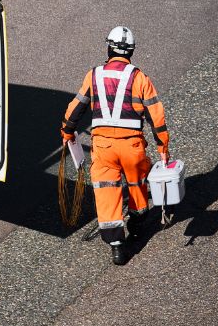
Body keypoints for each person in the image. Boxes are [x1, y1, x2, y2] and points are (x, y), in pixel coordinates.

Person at [61, 26, 170, 265]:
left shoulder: (94, 75)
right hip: (132, 146)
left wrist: (67, 132)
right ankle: (138, 222)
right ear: (131, 51)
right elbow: (156, 115)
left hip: (103, 148)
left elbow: (75, 108)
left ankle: (117, 247)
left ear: (109, 48)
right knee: (137, 184)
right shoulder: (140, 78)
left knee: (106, 192)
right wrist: (163, 148)